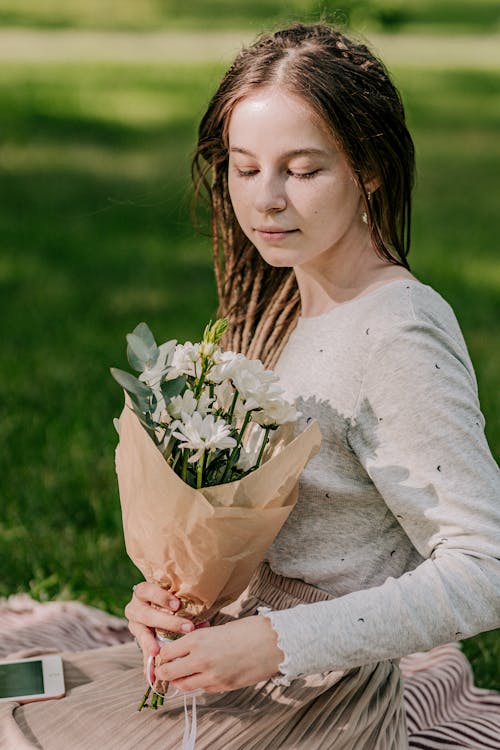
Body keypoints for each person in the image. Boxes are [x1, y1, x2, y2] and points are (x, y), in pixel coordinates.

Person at [5, 21, 500, 750]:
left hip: (318, 706)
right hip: (234, 671)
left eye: (302, 170)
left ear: (369, 168)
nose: (266, 199)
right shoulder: (285, 303)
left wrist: (274, 641)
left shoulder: (397, 332)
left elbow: (485, 565)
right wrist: (179, 600)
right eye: (244, 167)